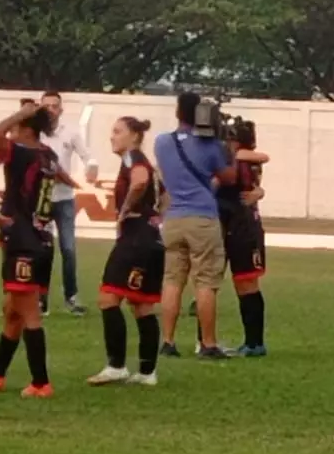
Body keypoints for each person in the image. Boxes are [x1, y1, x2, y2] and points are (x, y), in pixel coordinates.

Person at [0, 102, 62, 398]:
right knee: (13, 310)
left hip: (23, 241)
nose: (10, 130)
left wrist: (20, 115)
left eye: (17, 125)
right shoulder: (49, 155)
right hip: (42, 239)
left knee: (28, 312)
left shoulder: (20, 151)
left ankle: (41, 382)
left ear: (25, 127)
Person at [153, 92, 236, 359]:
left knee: (172, 280)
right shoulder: (210, 145)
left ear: (178, 112)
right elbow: (229, 177)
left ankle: (168, 341)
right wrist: (228, 150)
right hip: (202, 217)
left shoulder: (162, 142)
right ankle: (208, 344)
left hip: (173, 217)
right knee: (205, 281)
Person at [87, 116, 166, 386]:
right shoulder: (148, 162)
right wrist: (156, 217)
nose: (112, 136)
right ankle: (147, 372)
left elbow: (140, 182)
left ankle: (116, 366)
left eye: (118, 131)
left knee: (108, 298)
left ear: (134, 136)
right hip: (151, 239)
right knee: (142, 305)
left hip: (135, 240)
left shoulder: (133, 158)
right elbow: (166, 196)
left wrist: (123, 213)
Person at [40, 90, 99, 317]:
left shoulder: (71, 132)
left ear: (60, 109)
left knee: (69, 249)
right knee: (44, 251)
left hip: (64, 198)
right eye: (47, 105)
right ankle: (40, 299)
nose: (51, 110)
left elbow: (87, 156)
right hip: (42, 199)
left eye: (55, 106)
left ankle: (71, 297)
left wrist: (91, 167)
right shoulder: (34, 132)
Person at [217, 121, 269, 357]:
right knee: (238, 284)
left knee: (246, 284)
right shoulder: (242, 159)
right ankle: (251, 342)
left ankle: (255, 342)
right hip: (233, 223)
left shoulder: (242, 159)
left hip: (243, 226)